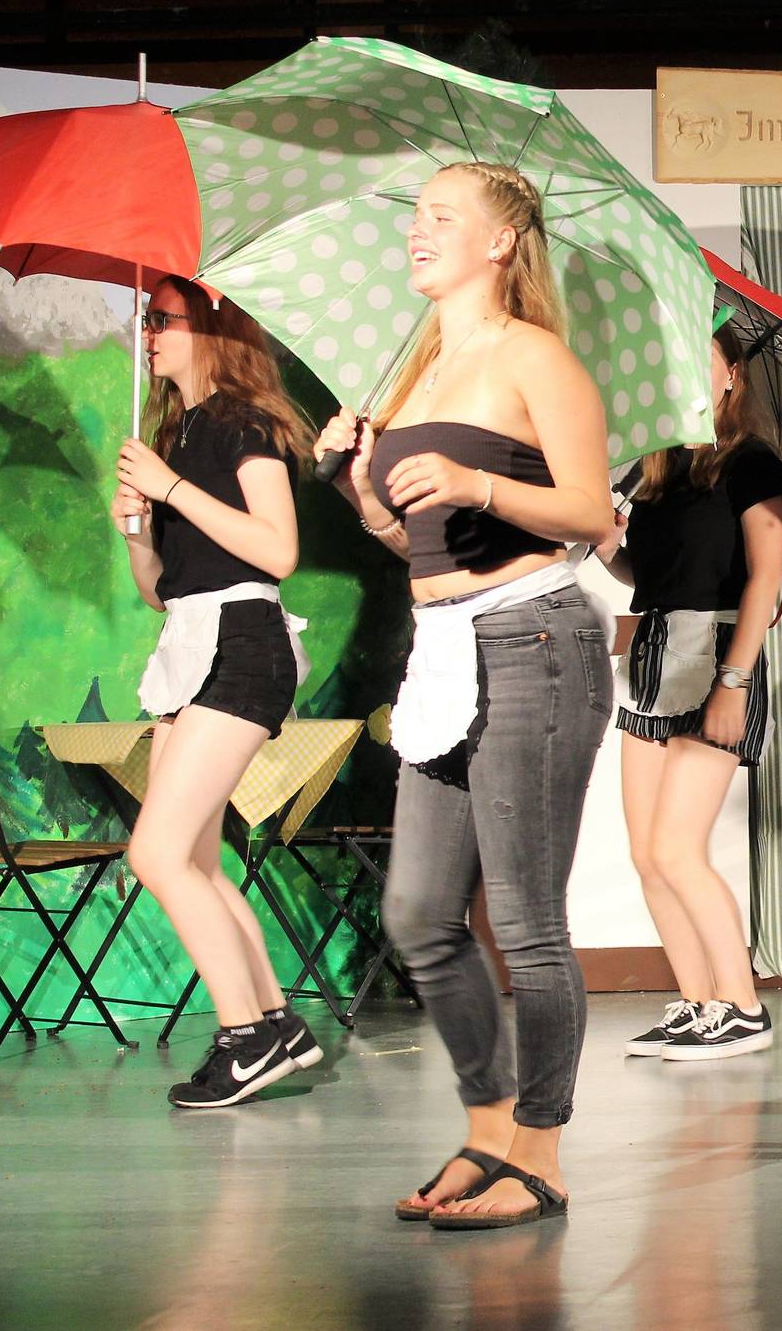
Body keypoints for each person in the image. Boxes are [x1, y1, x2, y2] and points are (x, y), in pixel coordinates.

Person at [314, 160, 613, 1229]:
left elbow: (594, 516)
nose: (419, 231)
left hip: (534, 634)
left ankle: (542, 1150)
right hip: (443, 644)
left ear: (500, 242)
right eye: (416, 215)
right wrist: (363, 487)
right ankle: (487, 1125)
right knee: (419, 914)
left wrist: (483, 481)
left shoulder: (536, 357)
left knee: (526, 922)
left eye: (444, 216)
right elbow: (415, 541)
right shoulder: (419, 371)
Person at [111, 275, 319, 1109]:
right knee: (194, 857)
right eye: (146, 319)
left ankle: (246, 1039)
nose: (148, 333)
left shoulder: (240, 423)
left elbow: (277, 550)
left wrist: (169, 489)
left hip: (243, 646)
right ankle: (274, 1020)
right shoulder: (179, 430)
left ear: (209, 328)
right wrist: (135, 530)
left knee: (156, 854)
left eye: (161, 319)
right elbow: (165, 588)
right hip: (191, 640)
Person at [595, 321, 782, 1061]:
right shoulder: (657, 473)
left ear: (732, 373)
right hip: (652, 656)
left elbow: (766, 578)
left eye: (698, 360)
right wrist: (613, 544)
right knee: (648, 853)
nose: (681, 373)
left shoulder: (755, 463)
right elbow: (645, 581)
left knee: (678, 848)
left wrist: (735, 681)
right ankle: (698, 1001)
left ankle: (743, 1005)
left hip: (716, 654)